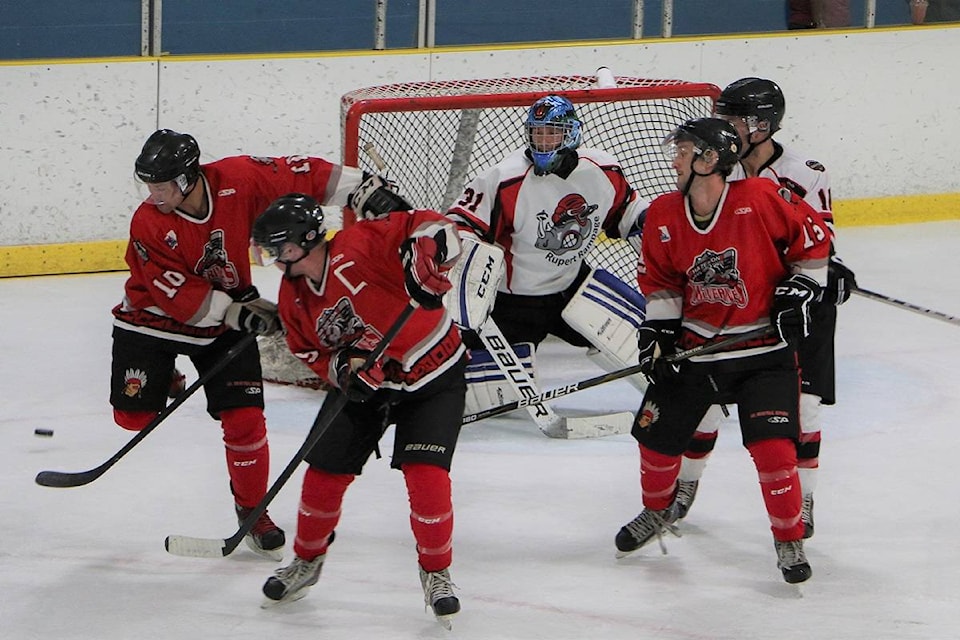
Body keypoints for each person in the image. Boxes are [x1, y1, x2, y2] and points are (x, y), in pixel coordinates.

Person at [111, 129, 388, 560]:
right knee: (133, 418)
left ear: (187, 178)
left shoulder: (238, 178)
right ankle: (166, 375)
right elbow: (175, 294)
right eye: (148, 185)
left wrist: (360, 188)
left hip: (226, 318)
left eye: (161, 185)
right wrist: (236, 311)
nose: (153, 194)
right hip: (153, 321)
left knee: (245, 420)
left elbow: (299, 175)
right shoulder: (148, 221)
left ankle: (252, 510)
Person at [614, 117, 830, 584]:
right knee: (655, 440)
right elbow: (662, 281)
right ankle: (657, 513)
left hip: (762, 352)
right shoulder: (665, 214)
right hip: (696, 353)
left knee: (774, 450)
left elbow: (813, 243)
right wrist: (658, 331)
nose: (675, 159)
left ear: (709, 159)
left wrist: (801, 287)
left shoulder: (758, 198)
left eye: (684, 150)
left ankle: (788, 539)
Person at [251, 194, 467, 629]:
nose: (273, 259)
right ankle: (306, 561)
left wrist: (429, 260)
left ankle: (436, 572)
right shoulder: (293, 297)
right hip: (369, 386)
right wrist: (343, 369)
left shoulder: (359, 243)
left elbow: (433, 225)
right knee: (323, 474)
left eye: (279, 249)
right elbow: (309, 351)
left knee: (425, 476)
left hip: (433, 371)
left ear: (305, 241)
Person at [671, 78, 857, 540]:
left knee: (805, 409)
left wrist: (828, 270)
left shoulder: (806, 172)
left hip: (795, 306)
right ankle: (684, 486)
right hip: (735, 300)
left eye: (734, 118)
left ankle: (804, 497)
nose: (724, 125)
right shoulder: (717, 167)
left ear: (761, 125)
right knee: (705, 402)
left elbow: (819, 239)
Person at [444, 95, 649, 412]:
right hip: (512, 304)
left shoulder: (603, 170)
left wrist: (648, 229)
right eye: (537, 133)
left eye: (551, 132)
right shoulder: (503, 179)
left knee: (638, 341)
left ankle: (675, 391)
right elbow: (460, 225)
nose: (543, 141)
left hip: (571, 288)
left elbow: (627, 213)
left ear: (571, 133)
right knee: (492, 399)